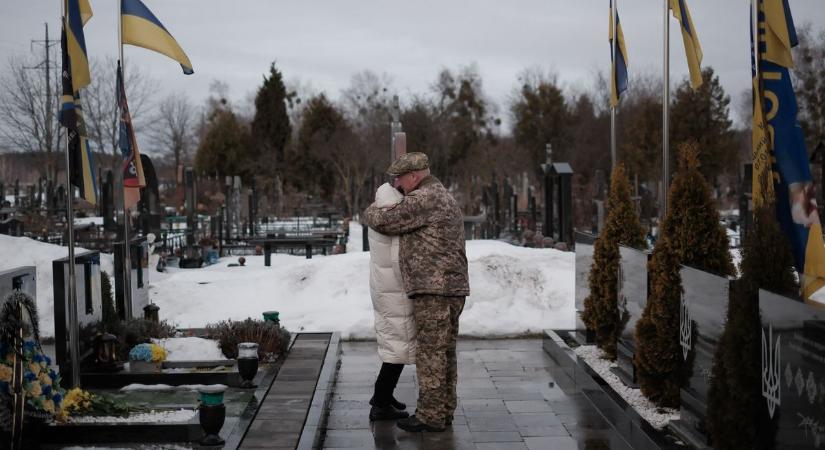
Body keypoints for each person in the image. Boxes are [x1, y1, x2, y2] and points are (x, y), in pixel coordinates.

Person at [362, 152, 470, 432]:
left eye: (400, 178)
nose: (397, 184)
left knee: (431, 353)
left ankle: (430, 417)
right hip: (451, 287)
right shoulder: (442, 194)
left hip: (434, 288)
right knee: (445, 352)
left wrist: (372, 209)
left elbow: (383, 220)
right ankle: (443, 411)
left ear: (415, 175)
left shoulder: (424, 198)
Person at [367, 182, 415, 422]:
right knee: (398, 348)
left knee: (394, 346)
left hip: (384, 288)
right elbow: (398, 258)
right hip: (395, 289)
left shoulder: (380, 209)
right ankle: (381, 402)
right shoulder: (392, 213)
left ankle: (384, 396)